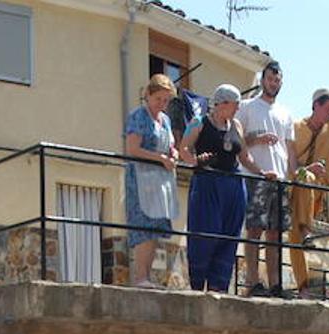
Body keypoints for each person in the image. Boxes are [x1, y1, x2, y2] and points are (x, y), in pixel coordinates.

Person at [179, 83, 268, 293]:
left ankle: (219, 287)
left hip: (234, 187)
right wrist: (196, 160)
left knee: (229, 236)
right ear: (223, 103)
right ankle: (198, 286)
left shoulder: (235, 125)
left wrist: (261, 172)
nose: (237, 109)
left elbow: (244, 156)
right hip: (208, 184)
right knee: (205, 235)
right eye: (235, 104)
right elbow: (183, 149)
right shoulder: (199, 122)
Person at [238, 61, 297, 298]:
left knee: (275, 232)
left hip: (279, 179)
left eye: (278, 79)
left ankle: (274, 283)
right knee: (254, 229)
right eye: (271, 79)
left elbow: (290, 150)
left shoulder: (286, 113)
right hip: (254, 175)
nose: (274, 83)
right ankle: (252, 281)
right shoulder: (247, 107)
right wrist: (257, 138)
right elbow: (238, 140)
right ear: (263, 80)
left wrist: (296, 175)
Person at [288, 88, 329, 297]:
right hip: (294, 187)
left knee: (298, 234)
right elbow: (288, 161)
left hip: (316, 191)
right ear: (316, 105)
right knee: (294, 238)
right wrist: (306, 170)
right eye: (328, 109)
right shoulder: (296, 127)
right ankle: (303, 286)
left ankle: (307, 228)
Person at [124, 73, 180, 288]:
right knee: (143, 225)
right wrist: (160, 158)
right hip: (140, 177)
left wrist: (172, 154)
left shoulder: (165, 120)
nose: (162, 104)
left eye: (166, 101)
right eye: (159, 99)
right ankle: (140, 277)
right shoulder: (139, 116)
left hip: (160, 180)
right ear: (148, 95)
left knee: (156, 226)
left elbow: (171, 144)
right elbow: (132, 148)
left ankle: (147, 275)